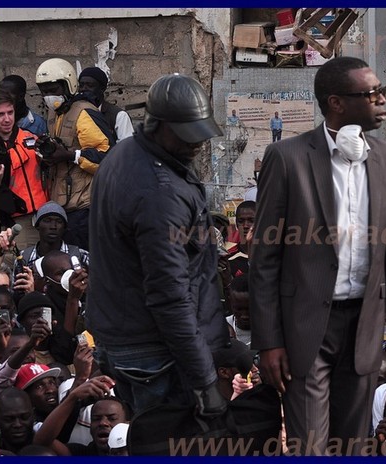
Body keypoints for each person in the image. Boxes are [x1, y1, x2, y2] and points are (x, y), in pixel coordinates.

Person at [249, 56, 386, 456]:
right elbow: (265, 259)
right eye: (370, 94)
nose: (381, 100)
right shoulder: (287, 158)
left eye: (381, 92)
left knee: (352, 444)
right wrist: (269, 340)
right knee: (310, 446)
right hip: (306, 327)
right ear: (336, 103)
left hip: (364, 325)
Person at [87, 73, 228, 415]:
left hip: (126, 337)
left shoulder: (125, 155)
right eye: (186, 135)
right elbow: (169, 295)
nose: (197, 144)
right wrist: (205, 379)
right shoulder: (160, 193)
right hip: (155, 351)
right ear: (157, 125)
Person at [35, 58, 114, 250]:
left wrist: (70, 156)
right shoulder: (55, 114)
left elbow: (108, 158)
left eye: (53, 90)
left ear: (68, 86)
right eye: (44, 92)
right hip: (63, 205)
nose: (49, 96)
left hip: (84, 206)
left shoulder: (84, 113)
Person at [0, 88, 49, 244]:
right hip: (15, 222)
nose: (7, 119)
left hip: (44, 216)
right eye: (0, 114)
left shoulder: (30, 137)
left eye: (10, 112)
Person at [77, 66, 134, 142]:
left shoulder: (119, 116)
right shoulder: (75, 112)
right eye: (81, 85)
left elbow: (126, 149)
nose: (84, 89)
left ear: (102, 88)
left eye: (90, 85)